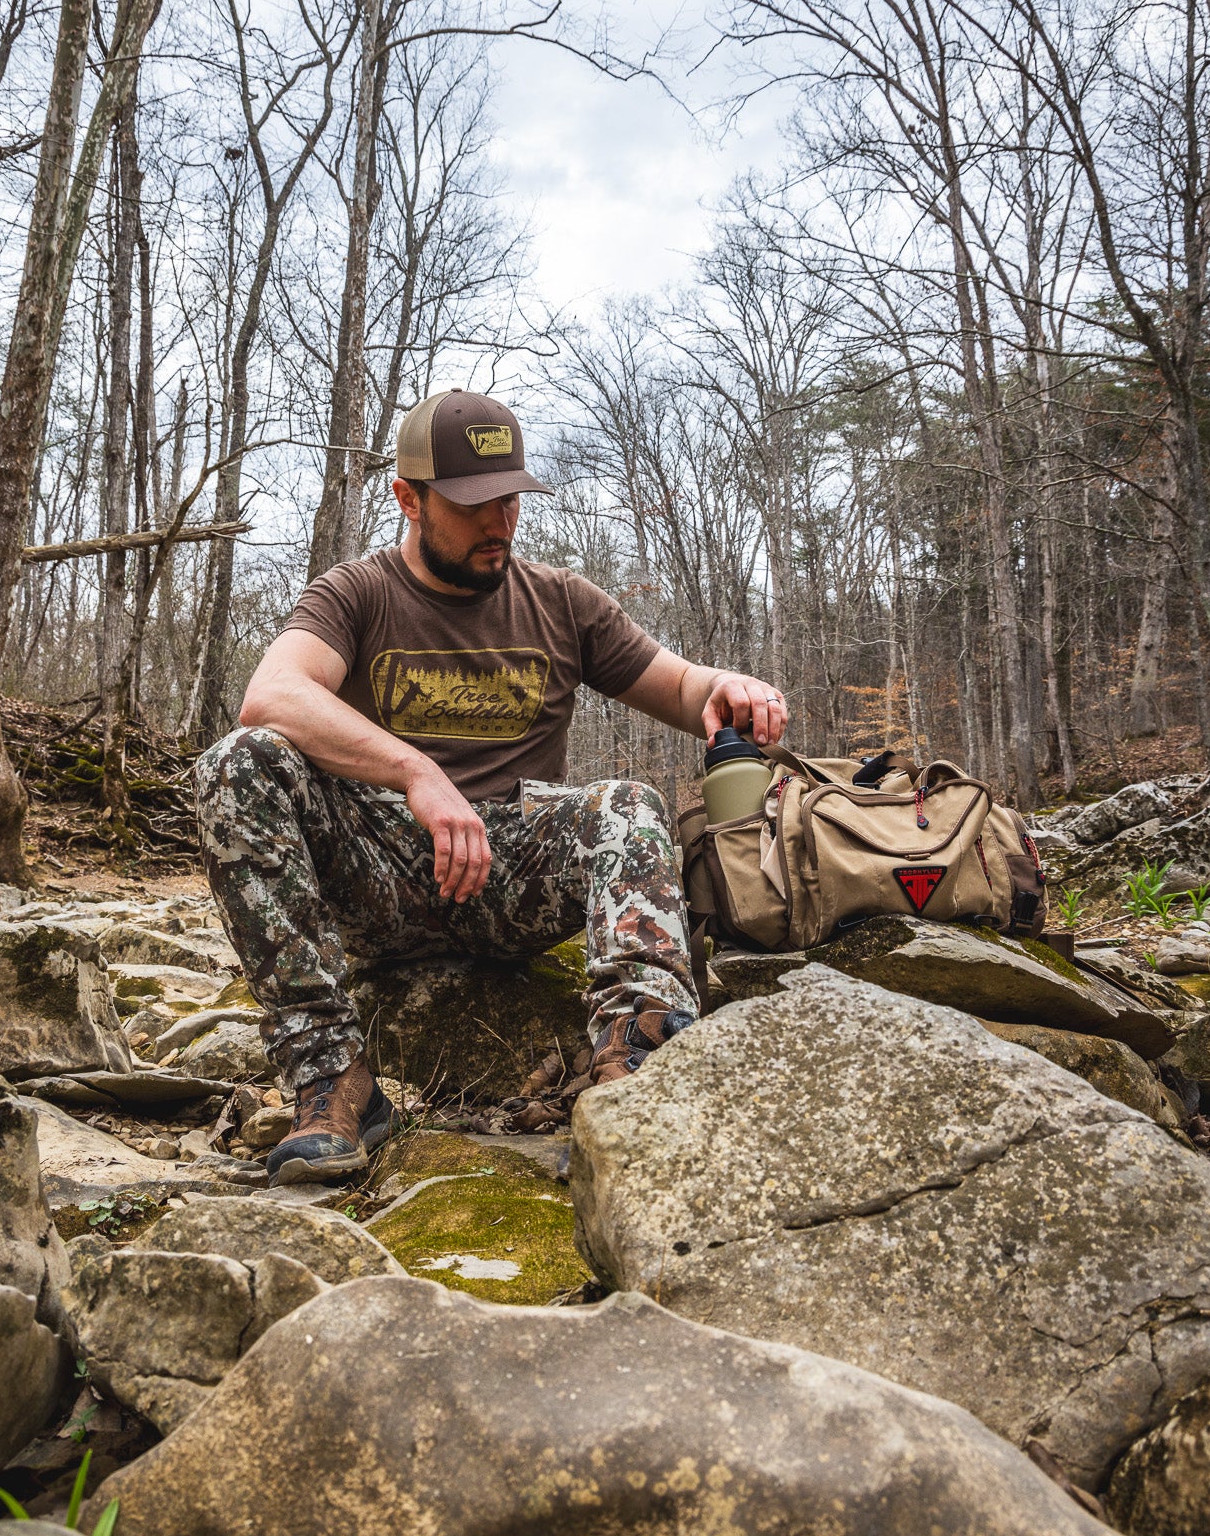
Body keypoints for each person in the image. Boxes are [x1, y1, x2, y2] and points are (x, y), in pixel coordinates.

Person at [194, 388, 789, 1185]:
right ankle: (331, 1079)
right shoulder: (357, 593)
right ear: (407, 498)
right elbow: (272, 696)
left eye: (508, 499)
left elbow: (682, 687)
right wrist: (416, 771)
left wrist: (729, 687)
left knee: (630, 801)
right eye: (473, 504)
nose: (498, 522)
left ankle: (636, 1067)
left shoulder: (560, 601)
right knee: (239, 760)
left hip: (513, 879)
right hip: (387, 877)